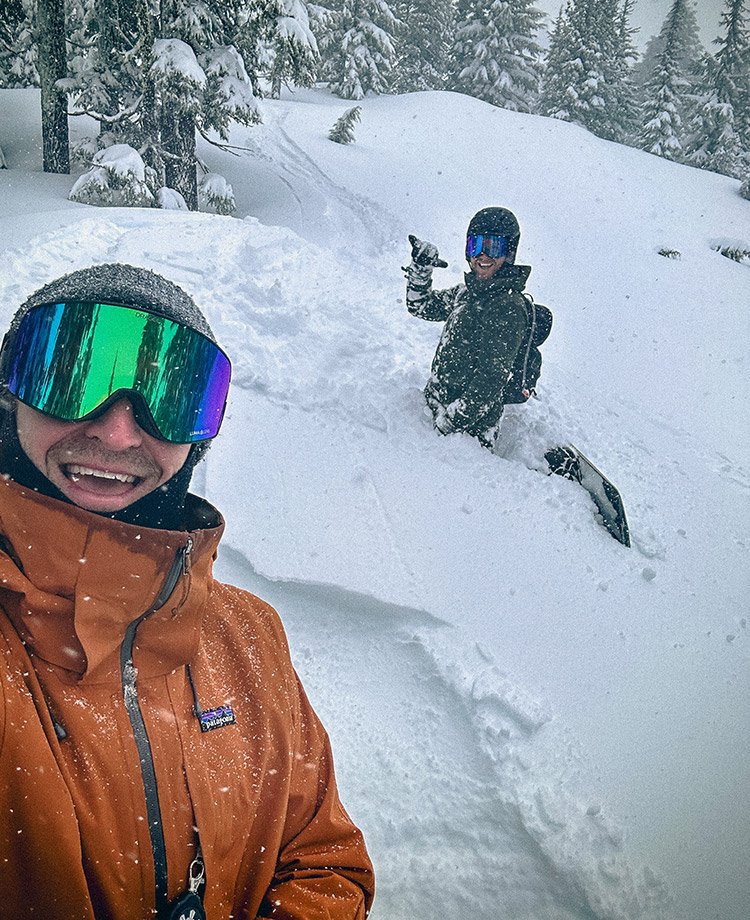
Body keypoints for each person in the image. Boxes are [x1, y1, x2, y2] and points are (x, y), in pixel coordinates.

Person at [0, 264, 374, 920]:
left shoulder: (250, 633)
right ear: (10, 398)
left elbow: (323, 860)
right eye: (72, 376)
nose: (118, 433)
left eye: (168, 398)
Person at [404, 206, 535, 451]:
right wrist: (420, 270)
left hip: (468, 436)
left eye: (493, 247)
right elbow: (420, 306)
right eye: (475, 246)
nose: (482, 256)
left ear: (509, 253)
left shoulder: (507, 307)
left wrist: (448, 423)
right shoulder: (466, 293)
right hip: (434, 409)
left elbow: (490, 381)